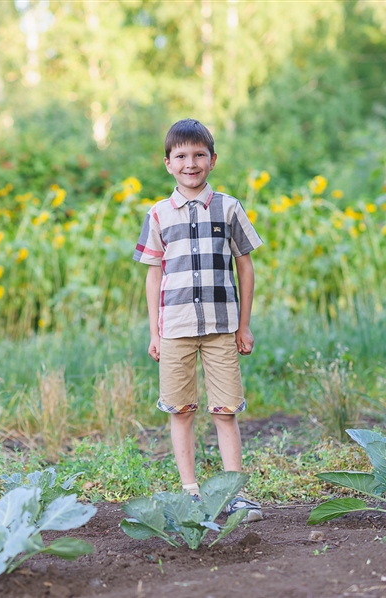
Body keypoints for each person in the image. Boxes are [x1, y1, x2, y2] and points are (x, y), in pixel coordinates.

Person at [132, 118, 263, 522]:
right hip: (175, 329)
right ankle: (190, 493)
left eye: (199, 155)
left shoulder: (229, 207)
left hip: (222, 327)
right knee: (181, 410)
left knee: (225, 410)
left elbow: (245, 267)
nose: (190, 163)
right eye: (181, 156)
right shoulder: (158, 214)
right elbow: (154, 276)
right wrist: (154, 332)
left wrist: (243, 324)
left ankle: (234, 493)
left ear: (213, 159)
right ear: (168, 163)